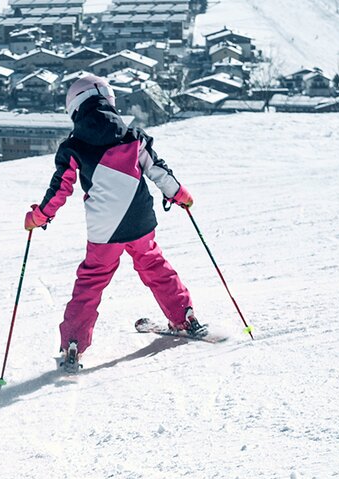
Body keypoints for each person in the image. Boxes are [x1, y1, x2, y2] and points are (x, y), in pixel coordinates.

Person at [24, 75, 206, 371]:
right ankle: (184, 317)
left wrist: (39, 217)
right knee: (153, 263)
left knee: (92, 280)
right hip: (140, 219)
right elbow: (158, 171)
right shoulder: (134, 136)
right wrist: (179, 194)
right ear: (109, 100)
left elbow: (60, 189)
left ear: (75, 108)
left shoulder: (74, 146)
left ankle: (73, 344)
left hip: (104, 230)